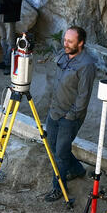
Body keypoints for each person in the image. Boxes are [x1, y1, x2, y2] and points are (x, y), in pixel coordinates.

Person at [44, 26, 96, 202]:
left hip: (69, 117)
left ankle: (58, 188)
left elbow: (83, 96)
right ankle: (77, 170)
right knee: (53, 147)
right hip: (54, 111)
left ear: (80, 43)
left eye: (70, 41)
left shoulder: (87, 65)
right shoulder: (63, 54)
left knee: (59, 154)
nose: (65, 44)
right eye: (65, 40)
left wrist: (71, 115)